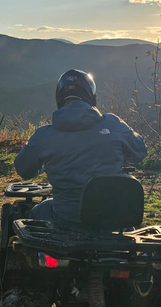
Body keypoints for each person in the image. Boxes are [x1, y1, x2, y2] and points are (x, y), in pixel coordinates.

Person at [14, 69, 147, 224]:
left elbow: (23, 169)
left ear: (59, 97)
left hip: (66, 218)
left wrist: (43, 164)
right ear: (91, 95)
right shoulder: (113, 124)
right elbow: (140, 151)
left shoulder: (44, 135)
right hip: (112, 219)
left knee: (36, 211)